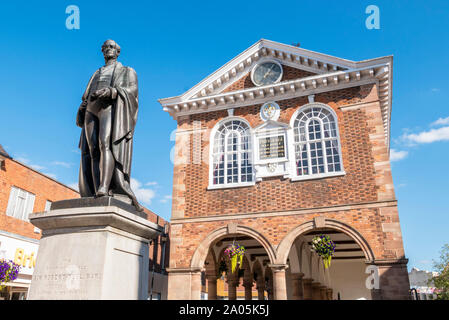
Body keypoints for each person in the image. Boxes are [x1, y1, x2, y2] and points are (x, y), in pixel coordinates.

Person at [76, 40, 143, 211]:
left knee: (105, 144)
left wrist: (112, 91)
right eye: (105, 47)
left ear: (118, 51)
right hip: (91, 108)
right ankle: (94, 187)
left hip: (108, 107)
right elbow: (86, 94)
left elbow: (132, 92)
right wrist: (83, 105)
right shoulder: (96, 73)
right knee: (92, 150)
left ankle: (104, 187)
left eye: (111, 47)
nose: (108, 49)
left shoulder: (126, 71)